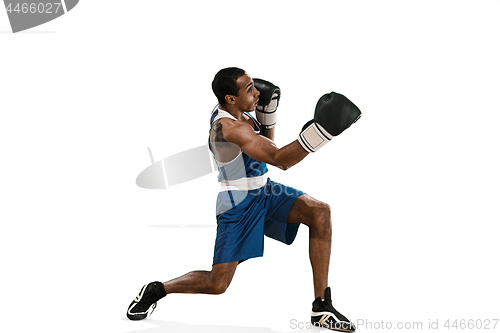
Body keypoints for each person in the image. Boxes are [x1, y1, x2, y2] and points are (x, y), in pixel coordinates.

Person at [127, 67, 361, 332]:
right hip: (238, 203)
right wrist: (322, 132)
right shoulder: (229, 128)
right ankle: (158, 289)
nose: (258, 92)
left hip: (266, 191)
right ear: (230, 98)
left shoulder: (241, 114)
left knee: (320, 212)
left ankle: (321, 307)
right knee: (218, 284)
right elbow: (280, 160)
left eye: (253, 86)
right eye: (249, 89)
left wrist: (267, 119)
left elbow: (267, 149)